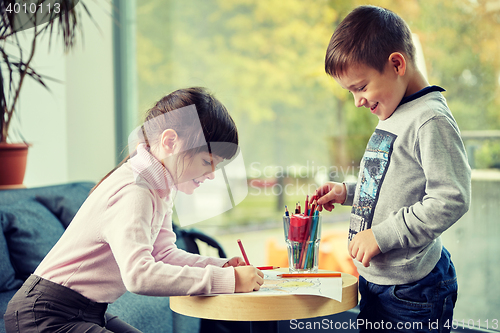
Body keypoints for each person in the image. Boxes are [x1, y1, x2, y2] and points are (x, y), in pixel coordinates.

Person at [4, 87, 264, 333]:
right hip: (47, 313)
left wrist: (222, 267)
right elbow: (139, 276)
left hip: (85, 310)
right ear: (170, 141)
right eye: (207, 161)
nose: (211, 175)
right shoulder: (135, 190)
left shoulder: (159, 187)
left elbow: (162, 254)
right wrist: (228, 281)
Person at [315, 6, 471, 332]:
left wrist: (382, 235)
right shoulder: (393, 110)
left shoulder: (430, 119)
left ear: (397, 64)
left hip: (412, 291)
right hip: (377, 282)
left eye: (360, 87)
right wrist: (347, 193)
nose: (358, 100)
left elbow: (451, 198)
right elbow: (391, 185)